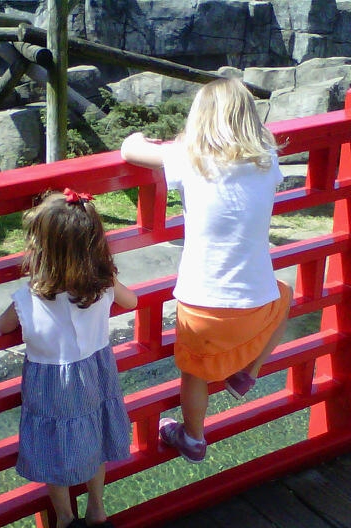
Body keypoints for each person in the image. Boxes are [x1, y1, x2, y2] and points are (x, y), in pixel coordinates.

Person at [120, 77, 291, 463]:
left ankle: (193, 437)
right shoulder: (267, 158)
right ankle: (248, 372)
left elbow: (130, 149)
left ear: (199, 118)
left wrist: (142, 137)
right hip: (257, 304)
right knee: (286, 294)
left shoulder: (188, 156)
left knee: (194, 373)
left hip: (201, 305)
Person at [0, 189, 137, 528]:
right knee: (96, 435)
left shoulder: (29, 296)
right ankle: (97, 509)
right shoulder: (102, 285)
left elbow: (2, 326)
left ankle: (64, 518)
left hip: (50, 383)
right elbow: (132, 300)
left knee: (53, 445)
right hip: (95, 373)